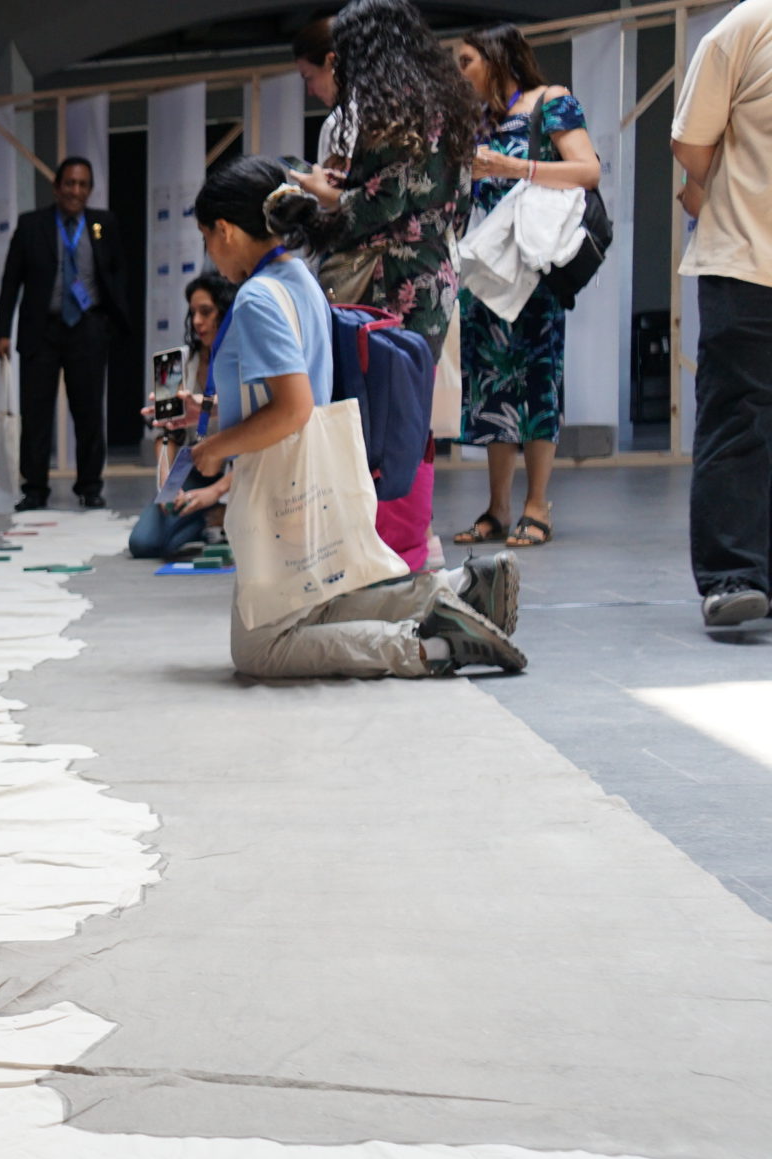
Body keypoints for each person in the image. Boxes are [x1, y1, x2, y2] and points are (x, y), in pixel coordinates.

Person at [168, 158, 523, 681]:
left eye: (207, 238)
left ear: (225, 230)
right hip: (316, 475)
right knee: (314, 608)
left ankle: (431, 647)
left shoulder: (256, 299)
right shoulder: (298, 277)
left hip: (280, 487)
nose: (211, 254)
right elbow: (294, 387)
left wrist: (214, 447)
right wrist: (213, 412)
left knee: (261, 649)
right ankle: (459, 588)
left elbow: (292, 407)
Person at [288, 0, 475, 572]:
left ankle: (391, 551)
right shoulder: (447, 102)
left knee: (377, 422)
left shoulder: (389, 111)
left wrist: (314, 204)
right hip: (433, 277)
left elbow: (379, 205)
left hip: (389, 284)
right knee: (411, 418)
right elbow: (447, 199)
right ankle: (414, 543)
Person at [448, 25, 599, 551]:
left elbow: (588, 171)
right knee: (490, 384)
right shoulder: (477, 119)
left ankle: (537, 505)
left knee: (537, 381)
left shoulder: (550, 101)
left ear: (495, 58)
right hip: (487, 269)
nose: (459, 72)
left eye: (466, 61)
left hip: (533, 268)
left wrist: (513, 166)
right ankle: (498, 507)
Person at [672, 0, 772, 629]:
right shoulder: (750, 23)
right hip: (747, 258)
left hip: (746, 250)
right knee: (740, 416)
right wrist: (734, 192)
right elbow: (691, 141)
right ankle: (734, 575)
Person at [0, 156, 132, 510]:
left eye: (83, 184)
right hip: (42, 329)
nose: (76, 191)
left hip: (87, 328)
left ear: (90, 189)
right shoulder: (31, 225)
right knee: (36, 412)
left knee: (89, 412)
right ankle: (34, 488)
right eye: (69, 183)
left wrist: (111, 323)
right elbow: (11, 280)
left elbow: (118, 272)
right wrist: (2, 331)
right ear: (56, 187)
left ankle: (90, 486)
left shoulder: (103, 223)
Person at [128, 273, 236, 559]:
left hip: (237, 473)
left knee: (167, 540)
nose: (197, 321)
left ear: (225, 313)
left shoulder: (245, 362)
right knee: (143, 543)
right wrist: (167, 484)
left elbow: (257, 443)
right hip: (190, 469)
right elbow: (164, 434)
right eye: (193, 313)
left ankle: (217, 510)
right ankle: (210, 518)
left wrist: (216, 491)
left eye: (206, 312)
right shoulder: (171, 365)